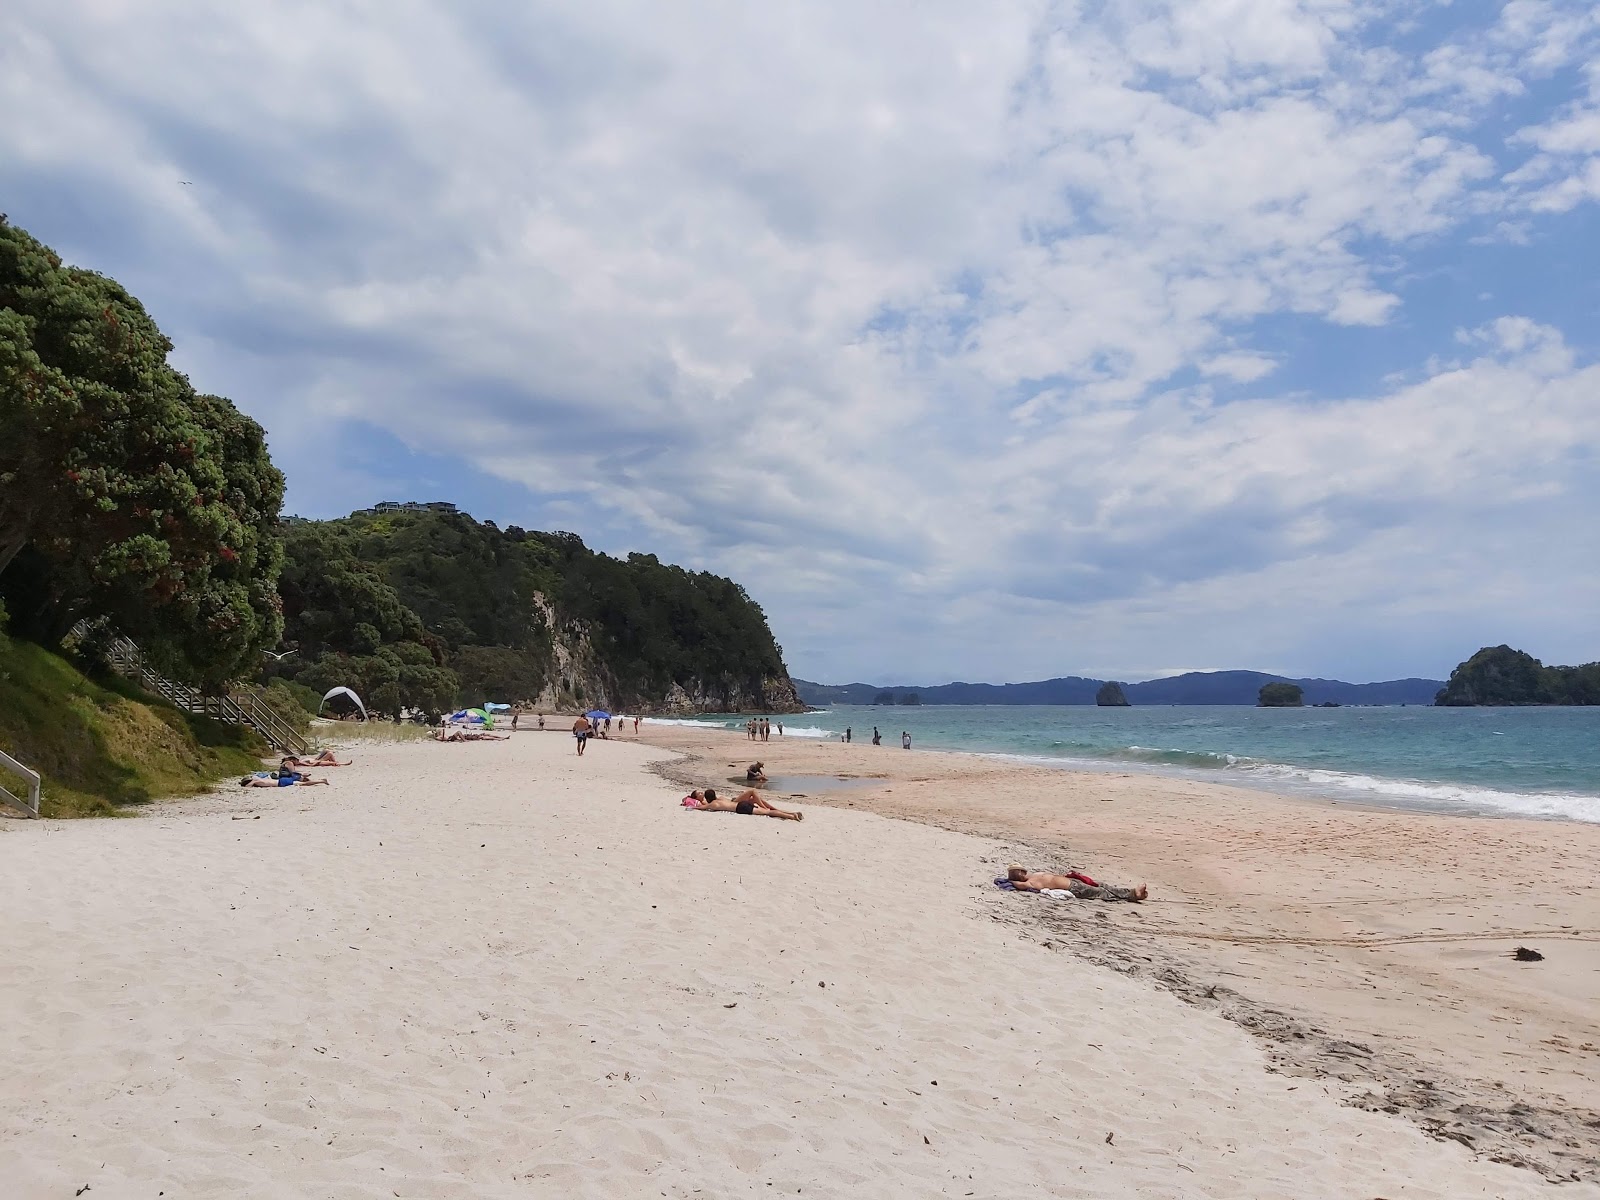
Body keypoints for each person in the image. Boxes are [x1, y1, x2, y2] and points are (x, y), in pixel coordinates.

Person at [1006, 864, 1146, 902]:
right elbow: (1017, 885)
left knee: (1102, 885)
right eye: (1016, 873)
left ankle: (1132, 892)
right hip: (1073, 888)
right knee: (1101, 893)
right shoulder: (1028, 884)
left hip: (1072, 881)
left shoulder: (1034, 876)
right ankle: (1133, 895)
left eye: (1019, 871)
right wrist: (1010, 880)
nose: (1019, 873)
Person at [688, 787, 802, 821]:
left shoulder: (713, 804)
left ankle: (791, 816)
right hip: (741, 805)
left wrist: (691, 806)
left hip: (741, 808)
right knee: (768, 811)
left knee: (768, 812)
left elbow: (702, 808)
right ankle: (791, 813)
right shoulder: (720, 799)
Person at [240, 773, 327, 788]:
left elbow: (250, 784)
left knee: (304, 784)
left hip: (281, 783)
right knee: (303, 783)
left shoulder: (256, 781)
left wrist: (246, 785)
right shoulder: (258, 779)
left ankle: (322, 781)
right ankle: (321, 780)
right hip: (281, 781)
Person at [282, 750, 350, 768]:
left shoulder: (299, 762)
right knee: (330, 755)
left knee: (326, 750)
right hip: (317, 762)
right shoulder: (300, 763)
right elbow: (310, 765)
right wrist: (317, 762)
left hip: (315, 760)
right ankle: (342, 763)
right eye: (296, 759)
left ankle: (336, 763)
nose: (297, 760)